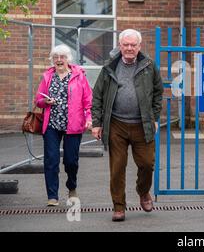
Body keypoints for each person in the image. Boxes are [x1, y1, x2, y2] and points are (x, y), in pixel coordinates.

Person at [91, 29, 163, 222]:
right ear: (120, 46)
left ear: (139, 47)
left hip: (142, 125)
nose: (129, 48)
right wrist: (97, 123)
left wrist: (154, 118)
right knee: (117, 168)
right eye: (126, 44)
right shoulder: (109, 68)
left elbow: (158, 93)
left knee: (147, 164)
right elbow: (97, 95)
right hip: (117, 124)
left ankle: (143, 191)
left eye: (133, 45)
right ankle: (119, 207)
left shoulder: (149, 66)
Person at [35, 44, 92, 207]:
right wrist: (44, 101)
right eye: (56, 57)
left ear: (68, 59)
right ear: (52, 60)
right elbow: (38, 100)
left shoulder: (79, 76)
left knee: (70, 161)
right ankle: (52, 195)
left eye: (62, 57)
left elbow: (88, 100)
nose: (59, 60)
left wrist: (89, 118)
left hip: (73, 124)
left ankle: (72, 186)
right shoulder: (47, 76)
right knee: (51, 160)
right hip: (51, 124)